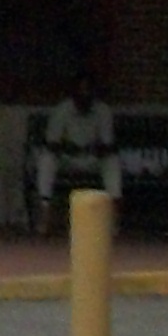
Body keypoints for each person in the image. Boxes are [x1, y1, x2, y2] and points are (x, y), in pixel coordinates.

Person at [29, 74, 119, 233]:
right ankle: (44, 212)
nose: (84, 95)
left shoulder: (102, 111)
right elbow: (51, 143)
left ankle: (112, 214)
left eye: (88, 91)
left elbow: (108, 145)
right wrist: (68, 147)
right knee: (47, 159)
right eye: (81, 91)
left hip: (92, 159)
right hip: (67, 159)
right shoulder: (62, 110)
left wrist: (94, 149)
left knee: (111, 161)